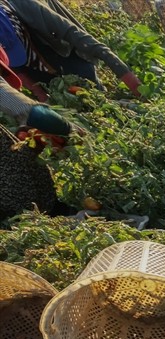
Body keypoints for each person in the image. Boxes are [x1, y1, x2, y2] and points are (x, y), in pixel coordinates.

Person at [0, 0, 141, 101]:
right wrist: (41, 97)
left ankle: (104, 98)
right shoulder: (4, 49)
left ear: (19, 27)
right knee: (68, 101)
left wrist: (131, 81)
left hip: (61, 49)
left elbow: (81, 39)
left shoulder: (28, 6)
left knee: (93, 90)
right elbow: (16, 71)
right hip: (37, 70)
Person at [1, 42, 64, 218]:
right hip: (16, 208)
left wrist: (23, 133)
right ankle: (33, 216)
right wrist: (67, 128)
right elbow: (30, 110)